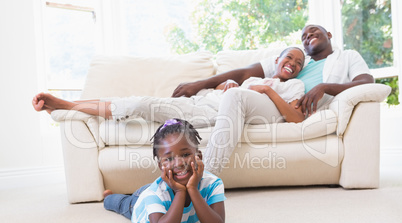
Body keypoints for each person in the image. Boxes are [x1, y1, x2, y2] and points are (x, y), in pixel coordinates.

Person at [32, 47, 305, 127]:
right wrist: (228, 84)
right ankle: (70, 105)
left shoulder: (294, 87)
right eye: (288, 57)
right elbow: (234, 90)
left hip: (211, 115)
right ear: (277, 60)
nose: (292, 63)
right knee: (138, 101)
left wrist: (268, 92)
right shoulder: (255, 79)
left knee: (140, 105)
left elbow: (295, 117)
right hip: (203, 101)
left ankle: (67, 105)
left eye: (298, 61)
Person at [172, 24, 374, 116]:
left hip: (291, 112)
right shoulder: (295, 61)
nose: (307, 35)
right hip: (262, 104)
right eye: (303, 36)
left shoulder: (347, 56)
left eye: (313, 31)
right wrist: (198, 84)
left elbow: (366, 82)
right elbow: (244, 73)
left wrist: (325, 87)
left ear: (328, 34)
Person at [103, 118, 226, 223]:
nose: (179, 163)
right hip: (140, 201)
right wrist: (180, 191)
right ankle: (108, 197)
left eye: (185, 155)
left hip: (164, 186)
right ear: (160, 165)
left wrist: (192, 189)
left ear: (198, 156)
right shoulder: (153, 194)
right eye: (169, 158)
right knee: (122, 203)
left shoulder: (213, 183)